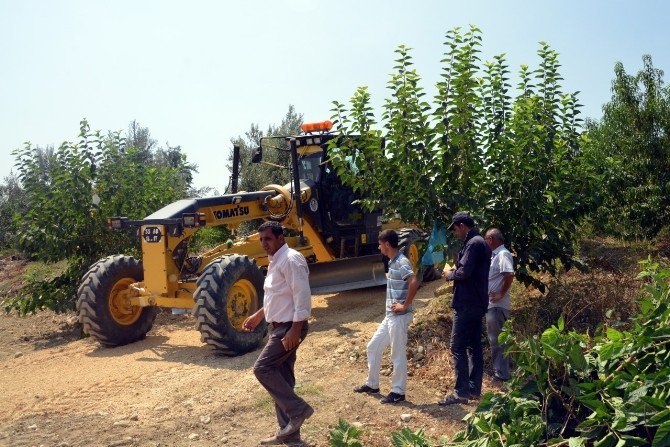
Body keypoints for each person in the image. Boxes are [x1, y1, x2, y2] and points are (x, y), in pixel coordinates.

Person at [243, 221, 313, 446]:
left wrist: (295, 328)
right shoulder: (276, 260)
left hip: (289, 328)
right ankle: (289, 435)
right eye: (261, 239)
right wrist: (259, 316)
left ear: (280, 238)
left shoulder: (291, 259)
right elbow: (279, 296)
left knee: (262, 368)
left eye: (268, 239)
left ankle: (298, 410)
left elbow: (302, 296)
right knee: (282, 379)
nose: (264, 243)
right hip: (279, 326)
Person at [353, 229, 419, 404]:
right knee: (373, 347)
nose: (379, 247)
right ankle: (372, 384)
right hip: (390, 316)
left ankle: (398, 392)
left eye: (380, 244)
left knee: (397, 354)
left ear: (387, 244)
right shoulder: (392, 261)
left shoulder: (401, 262)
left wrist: (405, 305)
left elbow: (413, 281)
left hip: (399, 317)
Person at [439, 211, 491, 405]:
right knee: (474, 347)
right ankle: (473, 389)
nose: (455, 233)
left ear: (461, 226)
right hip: (476, 302)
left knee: (458, 346)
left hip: (467, 303)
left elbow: (464, 272)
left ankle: (461, 393)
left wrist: (449, 274)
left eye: (455, 229)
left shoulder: (474, 243)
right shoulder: (479, 242)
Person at [484, 228, 514, 381]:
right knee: (495, 339)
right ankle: (500, 372)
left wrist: (501, 293)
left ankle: (501, 374)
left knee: (497, 340)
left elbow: (509, 274)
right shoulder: (495, 255)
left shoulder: (503, 254)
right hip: (492, 305)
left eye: (485, 239)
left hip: (497, 306)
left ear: (490, 239)